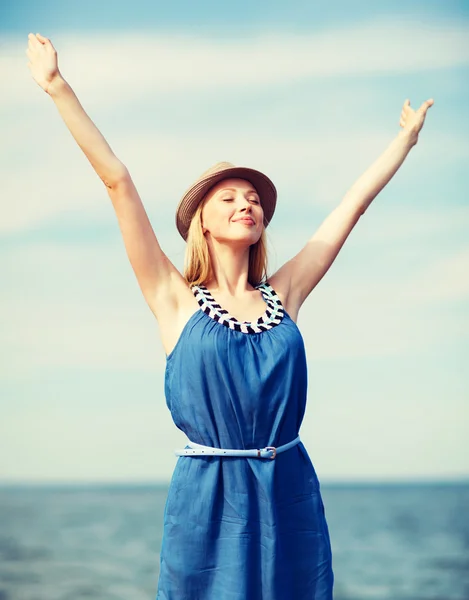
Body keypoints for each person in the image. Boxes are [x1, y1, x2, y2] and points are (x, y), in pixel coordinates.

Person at [26, 32, 434, 600]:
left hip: (288, 489)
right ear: (203, 222)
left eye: (255, 198)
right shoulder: (173, 297)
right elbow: (118, 181)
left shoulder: (284, 293)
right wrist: (56, 87)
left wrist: (405, 143)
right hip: (208, 496)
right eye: (231, 197)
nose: (248, 204)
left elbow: (351, 206)